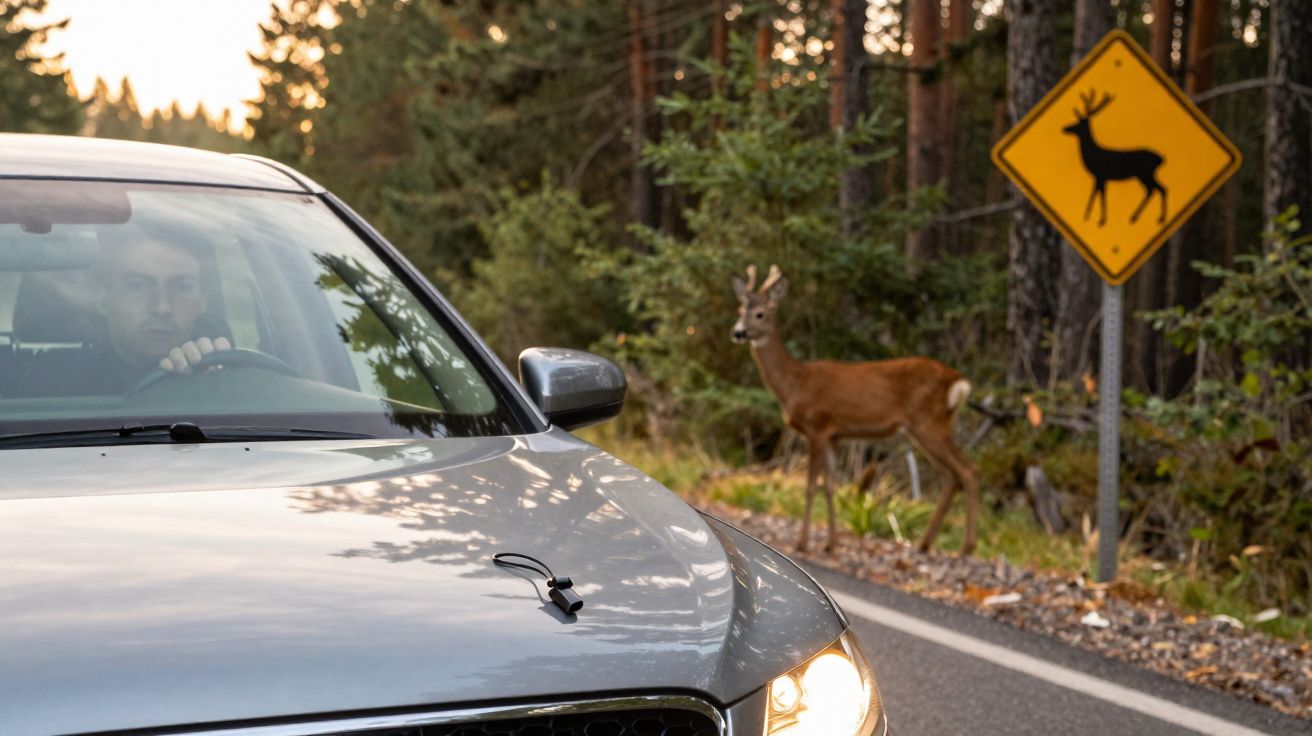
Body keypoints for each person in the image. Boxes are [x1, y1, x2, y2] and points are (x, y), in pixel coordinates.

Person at [8, 232, 232, 397]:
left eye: (182, 286)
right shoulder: (42, 389)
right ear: (104, 300)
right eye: (138, 286)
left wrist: (221, 380)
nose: (161, 307)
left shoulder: (229, 376)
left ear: (203, 301)